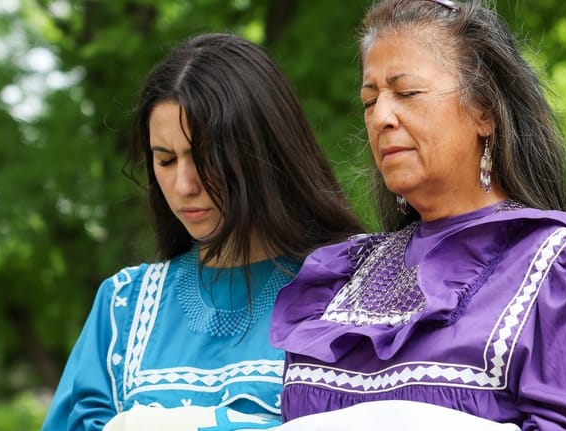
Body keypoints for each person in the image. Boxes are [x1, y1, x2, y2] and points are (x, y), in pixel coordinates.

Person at [270, 0, 566, 429]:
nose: (380, 117)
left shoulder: (563, 270)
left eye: (407, 93)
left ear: (483, 110)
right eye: (369, 99)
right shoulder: (340, 275)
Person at [40, 32, 363, 431]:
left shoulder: (352, 291)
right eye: (166, 160)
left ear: (263, 149)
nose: (184, 185)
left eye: (205, 156)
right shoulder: (122, 309)